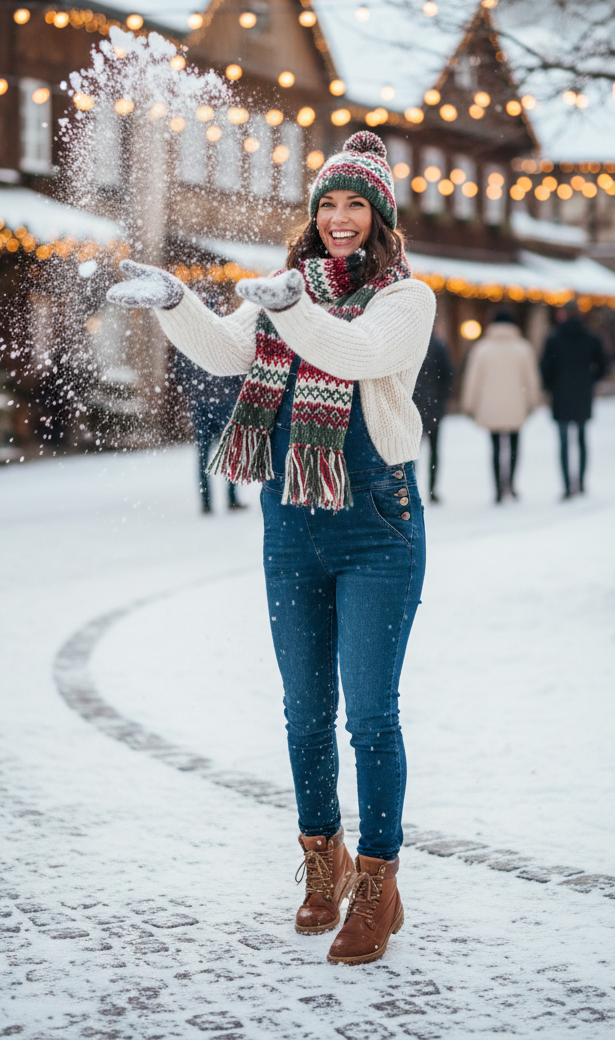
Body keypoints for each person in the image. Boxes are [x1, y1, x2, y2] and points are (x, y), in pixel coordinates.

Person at [106, 131, 435, 966]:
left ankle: (379, 882)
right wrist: (177, 299)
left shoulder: (406, 299)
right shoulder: (291, 294)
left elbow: (355, 353)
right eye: (328, 204)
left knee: (370, 716)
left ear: (380, 217)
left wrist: (290, 308)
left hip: (376, 525)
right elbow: (226, 351)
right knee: (303, 713)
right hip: (290, 521)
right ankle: (323, 861)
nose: (339, 218)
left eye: (356, 204)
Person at [460, 310, 540, 503]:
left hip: (491, 406)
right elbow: (531, 379)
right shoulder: (523, 348)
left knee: (495, 447)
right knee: (514, 446)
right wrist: (533, 401)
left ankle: (497, 489)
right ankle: (510, 484)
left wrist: (469, 404)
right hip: (516, 405)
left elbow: (473, 380)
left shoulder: (482, 348)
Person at [540, 301, 609, 498]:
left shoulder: (554, 339)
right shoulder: (590, 337)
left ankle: (567, 484)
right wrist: (590, 380)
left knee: (563, 443)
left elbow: (545, 368)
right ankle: (581, 481)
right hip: (582, 395)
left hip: (561, 395)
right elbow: (604, 365)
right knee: (581, 440)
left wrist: (551, 387)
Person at [171, 347, 245, 514]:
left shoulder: (189, 339)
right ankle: (231, 498)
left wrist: (194, 391)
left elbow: (180, 370)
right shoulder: (225, 334)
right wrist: (237, 389)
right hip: (224, 399)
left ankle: (207, 502)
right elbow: (239, 365)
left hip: (203, 401)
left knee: (205, 452)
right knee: (230, 450)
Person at [412, 332, 454, 502]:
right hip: (432, 407)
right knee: (433, 451)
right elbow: (448, 375)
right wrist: (442, 398)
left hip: (413, 406)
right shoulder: (437, 345)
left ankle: (412, 488)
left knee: (411, 452)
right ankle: (432, 489)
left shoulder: (410, 344)